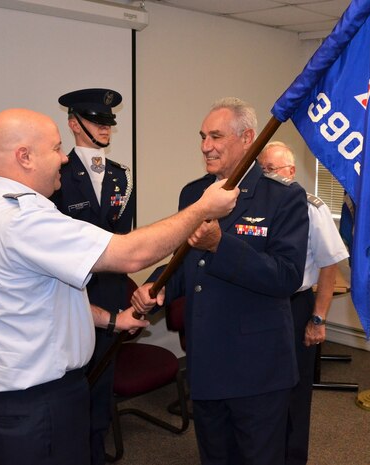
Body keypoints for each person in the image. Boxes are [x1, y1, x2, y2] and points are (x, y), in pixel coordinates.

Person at [0, 108, 239, 465]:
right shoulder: (21, 219)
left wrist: (110, 320)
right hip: (33, 405)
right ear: (24, 157)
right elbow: (131, 254)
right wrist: (201, 209)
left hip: (12, 400)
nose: (63, 158)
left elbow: (40, 300)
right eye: (56, 148)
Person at [131, 98, 309, 465]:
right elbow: (185, 261)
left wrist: (221, 246)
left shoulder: (284, 198)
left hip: (257, 370)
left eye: (215, 136)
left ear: (247, 138)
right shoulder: (194, 193)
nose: (205, 146)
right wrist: (159, 285)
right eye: (202, 136)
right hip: (206, 360)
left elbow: (286, 277)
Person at [50, 88, 134, 465]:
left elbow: (122, 241)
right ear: (74, 124)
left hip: (112, 295)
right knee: (71, 390)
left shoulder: (120, 177)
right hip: (71, 295)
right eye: (97, 121)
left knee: (101, 387)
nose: (105, 128)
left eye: (108, 123)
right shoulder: (57, 177)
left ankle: (97, 454)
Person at [258, 141, 349, 465]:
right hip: (258, 307)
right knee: (259, 389)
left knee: (296, 392)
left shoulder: (312, 208)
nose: (265, 176)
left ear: (291, 172)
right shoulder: (253, 205)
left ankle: (292, 457)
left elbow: (329, 263)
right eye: (261, 170)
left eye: (271, 170)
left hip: (294, 307)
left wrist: (318, 319)